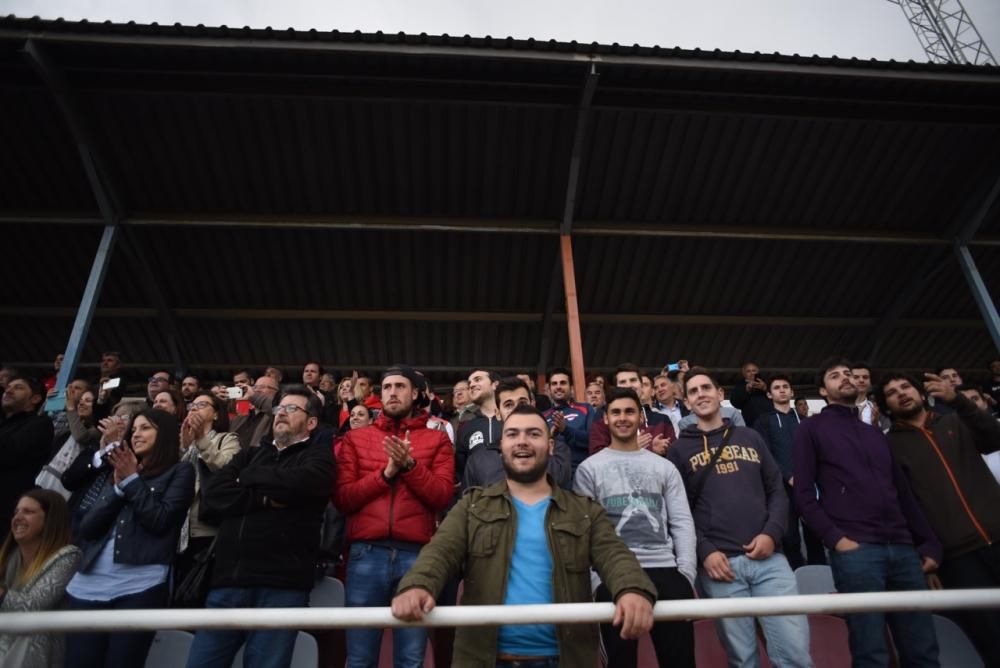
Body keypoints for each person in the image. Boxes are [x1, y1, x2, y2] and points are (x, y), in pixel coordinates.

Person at [392, 405, 656, 667]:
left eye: (533, 434)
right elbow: (440, 552)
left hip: (565, 659)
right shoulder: (472, 506)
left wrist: (631, 588)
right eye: (513, 434)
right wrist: (417, 585)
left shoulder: (584, 511)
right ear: (501, 446)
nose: (522, 442)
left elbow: (615, 555)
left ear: (551, 446)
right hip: (487, 660)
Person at [794, 358, 941, 668]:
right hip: (856, 551)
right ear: (823, 390)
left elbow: (903, 492)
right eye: (835, 376)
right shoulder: (811, 428)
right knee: (870, 652)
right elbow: (803, 493)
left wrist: (927, 542)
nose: (845, 379)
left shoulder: (875, 433)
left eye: (848, 374)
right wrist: (836, 539)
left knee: (922, 651)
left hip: (904, 551)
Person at [668, 368, 812, 668]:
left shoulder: (750, 436)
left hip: (771, 560)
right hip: (721, 567)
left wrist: (772, 533)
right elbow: (679, 510)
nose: (701, 395)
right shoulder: (679, 450)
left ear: (720, 394)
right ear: (687, 402)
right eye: (693, 391)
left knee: (795, 655)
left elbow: (776, 489)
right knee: (743, 660)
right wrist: (705, 552)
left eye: (706, 388)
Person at [187, 386, 333, 668]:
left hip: (281, 587)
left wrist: (247, 480)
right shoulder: (249, 455)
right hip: (227, 583)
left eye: (292, 409)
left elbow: (298, 483)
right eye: (279, 408)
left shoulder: (319, 459)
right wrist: (264, 497)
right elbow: (215, 495)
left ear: (312, 422)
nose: (281, 414)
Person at [334, 365, 454, 668]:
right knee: (360, 658)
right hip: (365, 554)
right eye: (386, 387)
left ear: (415, 394)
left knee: (411, 659)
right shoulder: (356, 439)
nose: (392, 393)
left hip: (417, 556)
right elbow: (344, 498)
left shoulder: (438, 440)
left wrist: (411, 466)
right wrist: (386, 474)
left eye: (400, 386)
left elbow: (441, 496)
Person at [876, 372, 1000, 664]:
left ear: (921, 393)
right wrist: (926, 557)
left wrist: (957, 400)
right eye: (892, 392)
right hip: (957, 558)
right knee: (990, 638)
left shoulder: (956, 420)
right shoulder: (889, 446)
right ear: (886, 407)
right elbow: (904, 507)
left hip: (998, 534)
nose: (901, 393)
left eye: (906, 386)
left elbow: (994, 437)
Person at [575, 388, 697, 668]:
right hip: (613, 577)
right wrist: (597, 584)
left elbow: (681, 521)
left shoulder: (664, 467)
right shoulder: (588, 469)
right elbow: (587, 531)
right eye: (616, 412)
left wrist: (686, 575)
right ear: (605, 418)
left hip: (667, 571)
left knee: (680, 662)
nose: (622, 418)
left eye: (629, 411)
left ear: (640, 417)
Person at [65, 409, 195, 668]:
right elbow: (88, 527)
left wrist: (132, 481)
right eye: (133, 429)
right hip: (87, 586)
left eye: (145, 428)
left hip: (139, 586)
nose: (136, 434)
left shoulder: (181, 471)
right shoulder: (120, 468)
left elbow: (161, 521)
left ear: (165, 434)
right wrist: (117, 487)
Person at [0, 489, 81, 668]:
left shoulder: (68, 557)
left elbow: (34, 606)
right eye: (16, 512)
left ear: (50, 520)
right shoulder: (8, 557)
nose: (18, 517)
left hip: (38, 653)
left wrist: (2, 595)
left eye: (28, 512)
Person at [753, 375, 824, 568]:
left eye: (785, 387)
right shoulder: (764, 421)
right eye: (777, 387)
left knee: (816, 534)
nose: (782, 390)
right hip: (781, 488)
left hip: (809, 485)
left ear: (791, 392)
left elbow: (816, 452)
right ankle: (796, 575)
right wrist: (788, 476)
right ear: (769, 394)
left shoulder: (805, 421)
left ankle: (821, 580)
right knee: (790, 536)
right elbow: (765, 454)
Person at [175, 392, 240, 585]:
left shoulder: (227, 439)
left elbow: (227, 468)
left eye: (202, 404)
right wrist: (183, 448)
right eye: (192, 405)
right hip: (177, 529)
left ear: (216, 415)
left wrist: (202, 440)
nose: (194, 408)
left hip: (205, 529)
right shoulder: (182, 443)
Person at [464, 377, 571, 490]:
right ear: (498, 413)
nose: (517, 409)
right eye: (508, 405)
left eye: (523, 403)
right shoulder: (478, 460)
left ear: (532, 405)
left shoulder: (557, 449)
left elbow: (560, 482)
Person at [0, 376, 54, 534]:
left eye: (18, 387)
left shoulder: (40, 424)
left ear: (35, 398)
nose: (8, 390)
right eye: (8, 387)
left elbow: (9, 453)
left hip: (6, 513)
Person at [590, 363, 673, 457]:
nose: (629, 385)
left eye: (633, 380)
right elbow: (596, 455)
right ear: (616, 387)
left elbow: (676, 456)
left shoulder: (662, 419)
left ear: (641, 386)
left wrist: (664, 450)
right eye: (623, 382)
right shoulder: (604, 415)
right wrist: (633, 447)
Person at [543, 367, 593, 472]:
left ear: (571, 387)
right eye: (554, 384)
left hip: (581, 471)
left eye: (563, 383)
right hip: (552, 474)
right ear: (549, 389)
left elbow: (592, 439)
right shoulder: (543, 416)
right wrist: (551, 436)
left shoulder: (586, 409)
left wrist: (565, 430)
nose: (558, 387)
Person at [729, 362, 771, 428]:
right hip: (751, 423)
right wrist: (746, 390)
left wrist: (765, 388)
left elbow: (778, 398)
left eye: (754, 371)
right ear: (744, 374)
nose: (752, 373)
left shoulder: (767, 383)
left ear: (758, 371)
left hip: (770, 421)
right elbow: (734, 402)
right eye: (748, 371)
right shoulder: (740, 386)